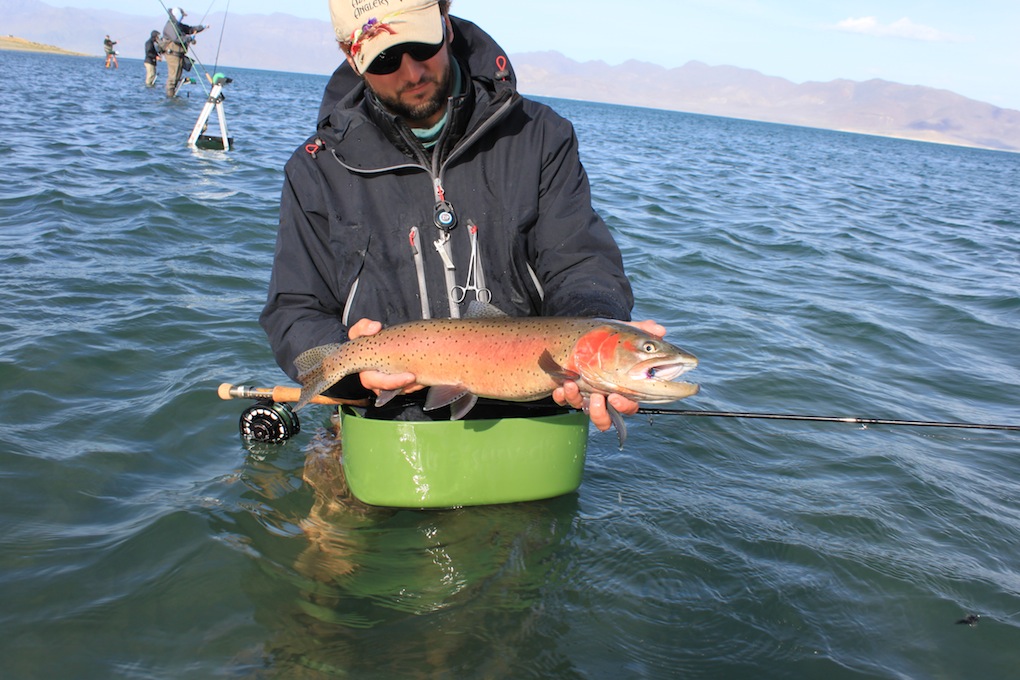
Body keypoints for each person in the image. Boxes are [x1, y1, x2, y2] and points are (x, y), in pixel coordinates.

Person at [260, 0, 666, 432]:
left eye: (422, 46)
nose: (412, 72)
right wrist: (349, 364)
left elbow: (580, 263)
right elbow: (294, 311)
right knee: (325, 475)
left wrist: (597, 325)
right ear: (351, 58)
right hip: (378, 419)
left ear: (446, 24)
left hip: (535, 419)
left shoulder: (541, 136)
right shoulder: (315, 168)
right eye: (385, 60)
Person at [161, 7, 206, 97]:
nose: (182, 18)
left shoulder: (178, 25)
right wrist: (189, 38)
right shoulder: (170, 26)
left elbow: (190, 29)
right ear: (177, 15)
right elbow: (176, 39)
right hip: (172, 55)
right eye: (182, 16)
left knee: (177, 76)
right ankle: (170, 97)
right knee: (173, 77)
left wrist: (202, 27)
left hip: (179, 55)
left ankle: (173, 95)